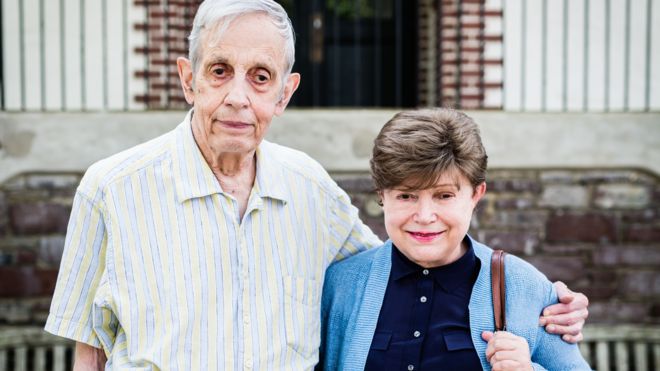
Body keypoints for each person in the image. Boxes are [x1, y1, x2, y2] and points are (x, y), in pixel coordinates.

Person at [44, 1, 588, 370]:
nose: (238, 96)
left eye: (260, 77)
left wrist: (550, 304)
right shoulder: (110, 189)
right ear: (188, 79)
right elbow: (88, 350)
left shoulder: (309, 188)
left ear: (284, 93)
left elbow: (402, 259)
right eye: (218, 71)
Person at [318, 108, 592, 371]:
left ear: (475, 194)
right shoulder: (340, 286)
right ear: (382, 196)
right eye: (406, 196)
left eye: (444, 195)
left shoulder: (526, 288)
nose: (424, 216)